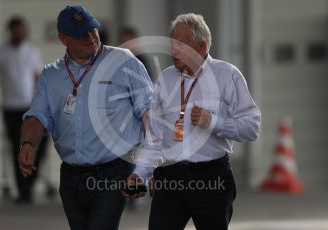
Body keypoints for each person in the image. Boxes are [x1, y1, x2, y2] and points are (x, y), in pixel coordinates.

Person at [18, 5, 152, 230]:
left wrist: (147, 166)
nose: (90, 37)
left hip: (114, 171)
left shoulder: (123, 61)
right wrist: (28, 143)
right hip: (71, 177)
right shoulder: (51, 75)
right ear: (63, 38)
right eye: (81, 34)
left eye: (92, 29)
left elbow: (149, 112)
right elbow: (37, 116)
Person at [127, 13, 261, 230]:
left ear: (201, 47)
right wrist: (140, 173)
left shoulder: (227, 76)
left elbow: (252, 128)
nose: (173, 51)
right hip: (169, 180)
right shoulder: (165, 79)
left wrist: (214, 122)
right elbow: (154, 139)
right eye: (172, 44)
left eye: (181, 44)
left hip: (211, 179)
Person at [0, 16, 49, 204]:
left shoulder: (32, 52)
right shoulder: (0, 53)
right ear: (10, 31)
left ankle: (30, 182)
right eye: (16, 30)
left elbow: (38, 77)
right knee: (16, 148)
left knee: (40, 144)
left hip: (31, 106)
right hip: (11, 108)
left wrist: (43, 102)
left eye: (22, 30)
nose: (20, 33)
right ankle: (23, 191)